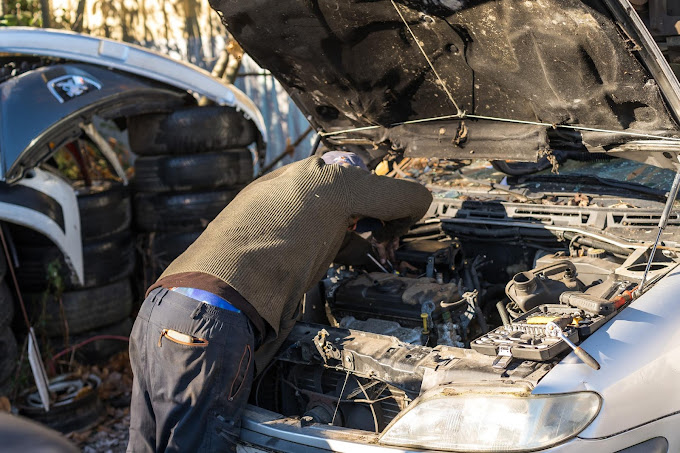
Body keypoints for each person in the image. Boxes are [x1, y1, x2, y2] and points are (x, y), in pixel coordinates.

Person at [127, 151, 433, 452]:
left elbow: (336, 244)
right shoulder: (341, 179)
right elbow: (419, 198)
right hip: (209, 323)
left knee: (145, 441)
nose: (352, 226)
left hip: (157, 310)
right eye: (354, 221)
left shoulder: (273, 186)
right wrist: (387, 235)